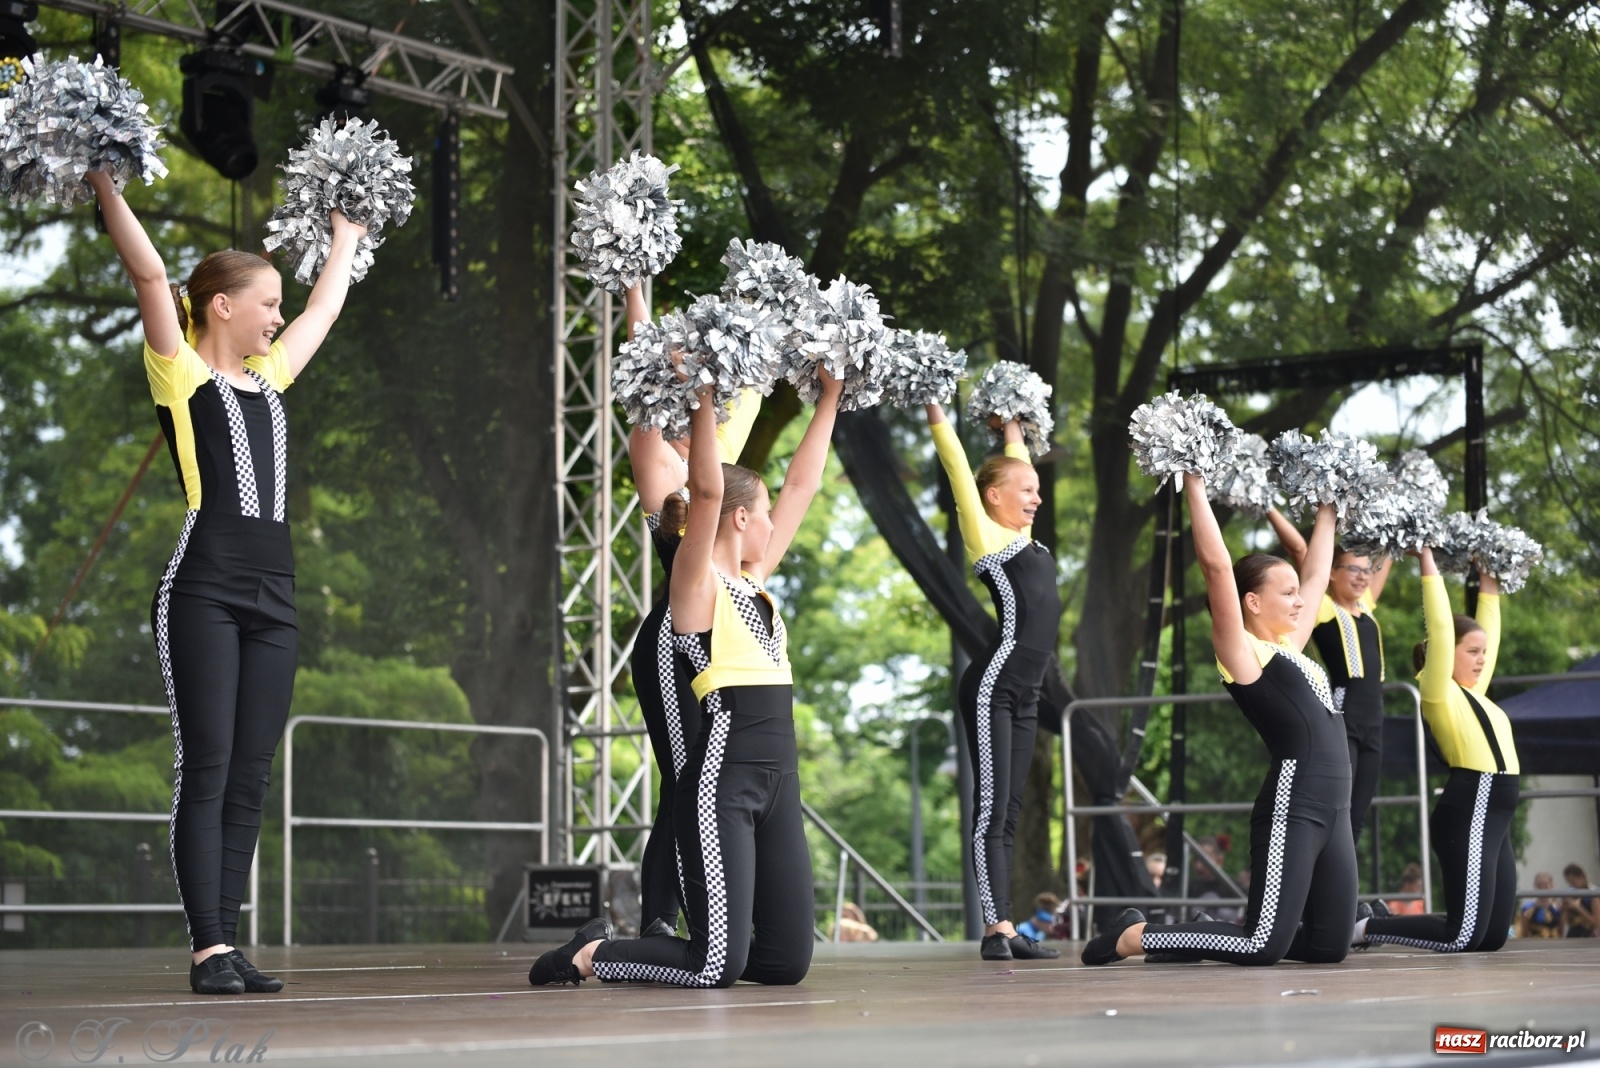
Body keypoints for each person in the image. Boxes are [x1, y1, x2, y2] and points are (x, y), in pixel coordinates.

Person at [88, 170, 367, 994]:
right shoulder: (181, 374)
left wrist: (347, 230)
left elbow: (325, 309)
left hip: (274, 600)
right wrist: (106, 180)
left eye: (279, 304)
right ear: (221, 307)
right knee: (207, 764)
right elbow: (148, 274)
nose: (279, 315)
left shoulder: (270, 377)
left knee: (252, 771)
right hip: (203, 589)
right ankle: (206, 945)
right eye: (267, 302)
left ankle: (232, 944)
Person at [529, 368, 843, 988]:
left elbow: (803, 483)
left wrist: (830, 398)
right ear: (741, 521)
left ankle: (663, 947)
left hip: (781, 782)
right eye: (765, 513)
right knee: (714, 967)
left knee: (784, 964)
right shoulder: (696, 586)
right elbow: (704, 492)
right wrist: (702, 395)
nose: (778, 521)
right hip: (723, 783)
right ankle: (591, 956)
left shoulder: (756, 583)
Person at [1082, 473, 1357, 967]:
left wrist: (1327, 508)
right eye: (1286, 593)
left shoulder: (1290, 648)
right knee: (1261, 946)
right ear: (1253, 602)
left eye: (1297, 595)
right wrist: (1193, 480)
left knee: (1328, 947)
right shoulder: (1244, 653)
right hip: (1294, 804)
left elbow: (1317, 576)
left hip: (1336, 807)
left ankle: (1193, 936)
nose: (1300, 601)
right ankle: (1135, 935)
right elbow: (1216, 568)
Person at [622, 284, 762, 940]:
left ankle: (693, 912)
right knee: (684, 778)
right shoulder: (662, 465)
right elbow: (641, 366)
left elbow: (749, 383)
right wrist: (634, 291)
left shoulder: (716, 450)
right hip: (669, 642)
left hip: (716, 642)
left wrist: (752, 316)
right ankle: (660, 920)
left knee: (700, 779)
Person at [924, 401, 1063, 961]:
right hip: (993, 686)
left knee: (1010, 810)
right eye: (1024, 489)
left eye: (1037, 489)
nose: (1035, 496)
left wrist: (1012, 428)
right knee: (991, 809)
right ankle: (995, 928)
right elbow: (959, 465)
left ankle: (1009, 925)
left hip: (1026, 693)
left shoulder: (1031, 543)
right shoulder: (986, 535)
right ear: (993, 498)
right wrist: (937, 406)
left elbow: (1015, 463)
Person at [1356, 547, 1519, 954]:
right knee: (1462, 935)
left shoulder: (1475, 693)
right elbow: (1443, 630)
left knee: (1492, 937)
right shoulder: (1439, 690)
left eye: (1482, 653)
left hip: (1495, 811)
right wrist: (1426, 561)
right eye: (1472, 653)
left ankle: (1374, 921)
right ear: (1443, 657)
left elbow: (1491, 635)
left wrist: (1490, 583)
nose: (1482, 660)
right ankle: (1365, 928)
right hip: (1473, 801)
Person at [1270, 515, 1394, 851]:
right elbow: (1299, 548)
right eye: (1353, 569)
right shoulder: (1324, 608)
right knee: (1339, 805)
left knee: (1358, 814)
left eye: (1366, 571)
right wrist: (1268, 509)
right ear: (1333, 573)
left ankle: (1346, 899)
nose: (1362, 577)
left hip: (1374, 719)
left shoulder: (1366, 607)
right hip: (1345, 711)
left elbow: (1388, 554)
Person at [1516, 873, 1563, 938]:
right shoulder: (1527, 908)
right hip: (1534, 944)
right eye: (1539, 884)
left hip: (1554, 944)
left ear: (1552, 885)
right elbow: (1524, 933)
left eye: (1546, 884)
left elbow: (1561, 932)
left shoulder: (1558, 908)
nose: (1542, 887)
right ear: (1535, 885)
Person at [1561, 863, 1598, 938]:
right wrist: (1564, 909)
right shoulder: (1572, 895)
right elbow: (1565, 922)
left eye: (1573, 881)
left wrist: (1578, 908)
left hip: (1589, 936)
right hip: (1573, 935)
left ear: (1581, 877)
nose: (1572, 885)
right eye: (1569, 882)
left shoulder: (1593, 894)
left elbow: (1596, 922)